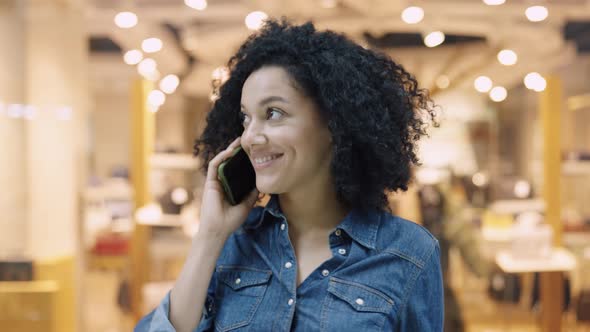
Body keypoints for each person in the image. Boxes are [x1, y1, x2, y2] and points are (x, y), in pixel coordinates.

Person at [135, 18, 443, 332]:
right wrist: (209, 237)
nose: (251, 137)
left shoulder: (409, 252)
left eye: (273, 113)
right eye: (246, 118)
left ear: (335, 124)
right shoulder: (232, 242)